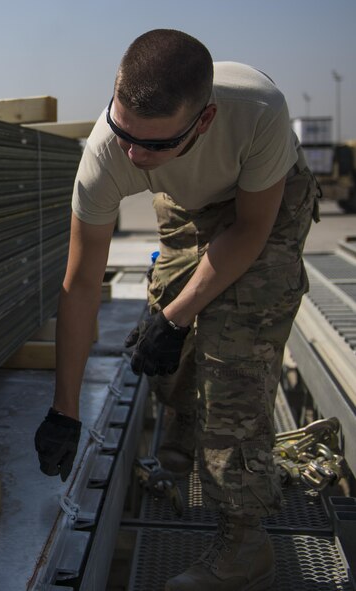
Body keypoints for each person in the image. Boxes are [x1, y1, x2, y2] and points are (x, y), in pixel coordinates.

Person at [33, 29, 320, 591]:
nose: (134, 156)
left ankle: (244, 542)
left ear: (204, 120)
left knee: (233, 356)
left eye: (155, 146)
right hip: (188, 197)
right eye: (125, 135)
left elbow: (250, 229)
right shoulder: (108, 153)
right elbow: (82, 283)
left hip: (263, 202)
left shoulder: (259, 114)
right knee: (166, 349)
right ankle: (180, 461)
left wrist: (178, 315)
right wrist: (63, 409)